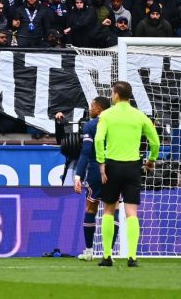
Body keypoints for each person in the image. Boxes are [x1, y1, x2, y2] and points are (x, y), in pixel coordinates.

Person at [94, 81, 160, 267]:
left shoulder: (106, 115)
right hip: (132, 167)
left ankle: (107, 256)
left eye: (112, 93)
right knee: (131, 212)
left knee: (108, 209)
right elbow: (155, 141)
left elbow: (99, 140)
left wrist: (101, 163)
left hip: (112, 166)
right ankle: (132, 257)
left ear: (115, 94)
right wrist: (151, 159)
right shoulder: (140, 116)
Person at [72, 96, 112, 261]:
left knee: (91, 208)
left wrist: (78, 175)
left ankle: (89, 251)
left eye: (92, 106)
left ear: (99, 109)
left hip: (96, 169)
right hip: (115, 168)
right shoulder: (116, 123)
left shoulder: (91, 125)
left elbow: (86, 152)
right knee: (112, 209)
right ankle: (108, 253)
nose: (90, 109)